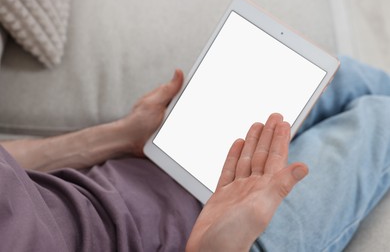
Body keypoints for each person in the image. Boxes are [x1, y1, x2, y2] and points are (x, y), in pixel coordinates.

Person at [0, 55, 389, 251]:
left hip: (151, 166)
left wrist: (119, 136)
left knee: (333, 72)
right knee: (381, 117)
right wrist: (214, 244)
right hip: (213, 235)